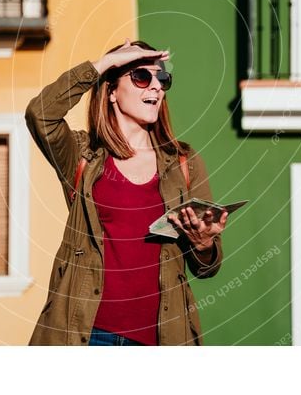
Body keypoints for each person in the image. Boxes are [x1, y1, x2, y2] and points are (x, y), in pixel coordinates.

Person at [25, 39, 228, 346]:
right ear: (111, 93)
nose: (156, 87)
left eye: (162, 79)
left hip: (161, 339)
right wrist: (100, 65)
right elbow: (40, 114)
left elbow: (207, 268)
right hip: (87, 335)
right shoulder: (82, 156)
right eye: (141, 77)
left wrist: (204, 244)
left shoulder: (184, 163)